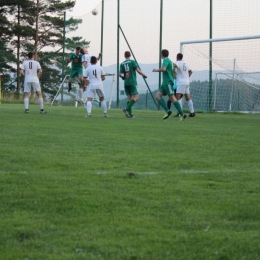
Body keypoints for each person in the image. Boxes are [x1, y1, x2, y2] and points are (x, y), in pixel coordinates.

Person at [152, 49, 186, 120]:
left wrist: (156, 70)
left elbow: (164, 69)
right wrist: (172, 77)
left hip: (167, 83)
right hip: (164, 83)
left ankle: (182, 114)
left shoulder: (166, 60)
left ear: (162, 54)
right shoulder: (171, 62)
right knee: (157, 96)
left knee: (172, 98)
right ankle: (168, 111)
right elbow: (175, 72)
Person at [119, 51, 147, 118]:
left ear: (124, 56)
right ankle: (126, 109)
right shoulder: (132, 62)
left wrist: (123, 77)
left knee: (129, 98)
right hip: (132, 82)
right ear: (130, 55)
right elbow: (137, 70)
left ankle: (130, 114)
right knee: (136, 97)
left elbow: (119, 74)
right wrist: (144, 75)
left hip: (126, 82)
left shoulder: (122, 63)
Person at [173, 53, 195, 117]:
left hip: (181, 82)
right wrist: (187, 77)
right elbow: (191, 71)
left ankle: (180, 112)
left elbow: (175, 65)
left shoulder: (178, 62)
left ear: (177, 57)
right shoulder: (185, 63)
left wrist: (169, 62)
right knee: (187, 97)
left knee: (177, 97)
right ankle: (192, 112)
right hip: (187, 82)